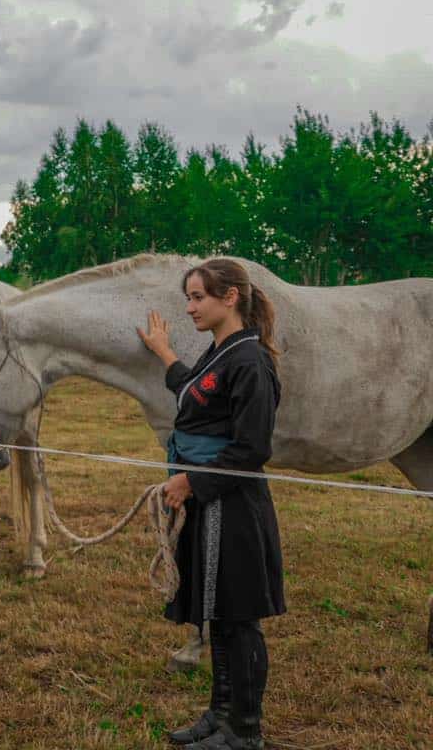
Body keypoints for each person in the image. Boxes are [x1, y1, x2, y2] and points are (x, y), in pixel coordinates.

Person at [137, 259, 284, 750]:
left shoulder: (250, 361)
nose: (190, 306)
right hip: (210, 502)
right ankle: (220, 715)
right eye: (189, 297)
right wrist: (164, 354)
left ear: (231, 298)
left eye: (199, 297)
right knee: (217, 614)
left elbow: (253, 448)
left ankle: (245, 731)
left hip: (234, 507)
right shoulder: (220, 352)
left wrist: (192, 483)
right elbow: (195, 394)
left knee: (238, 620)